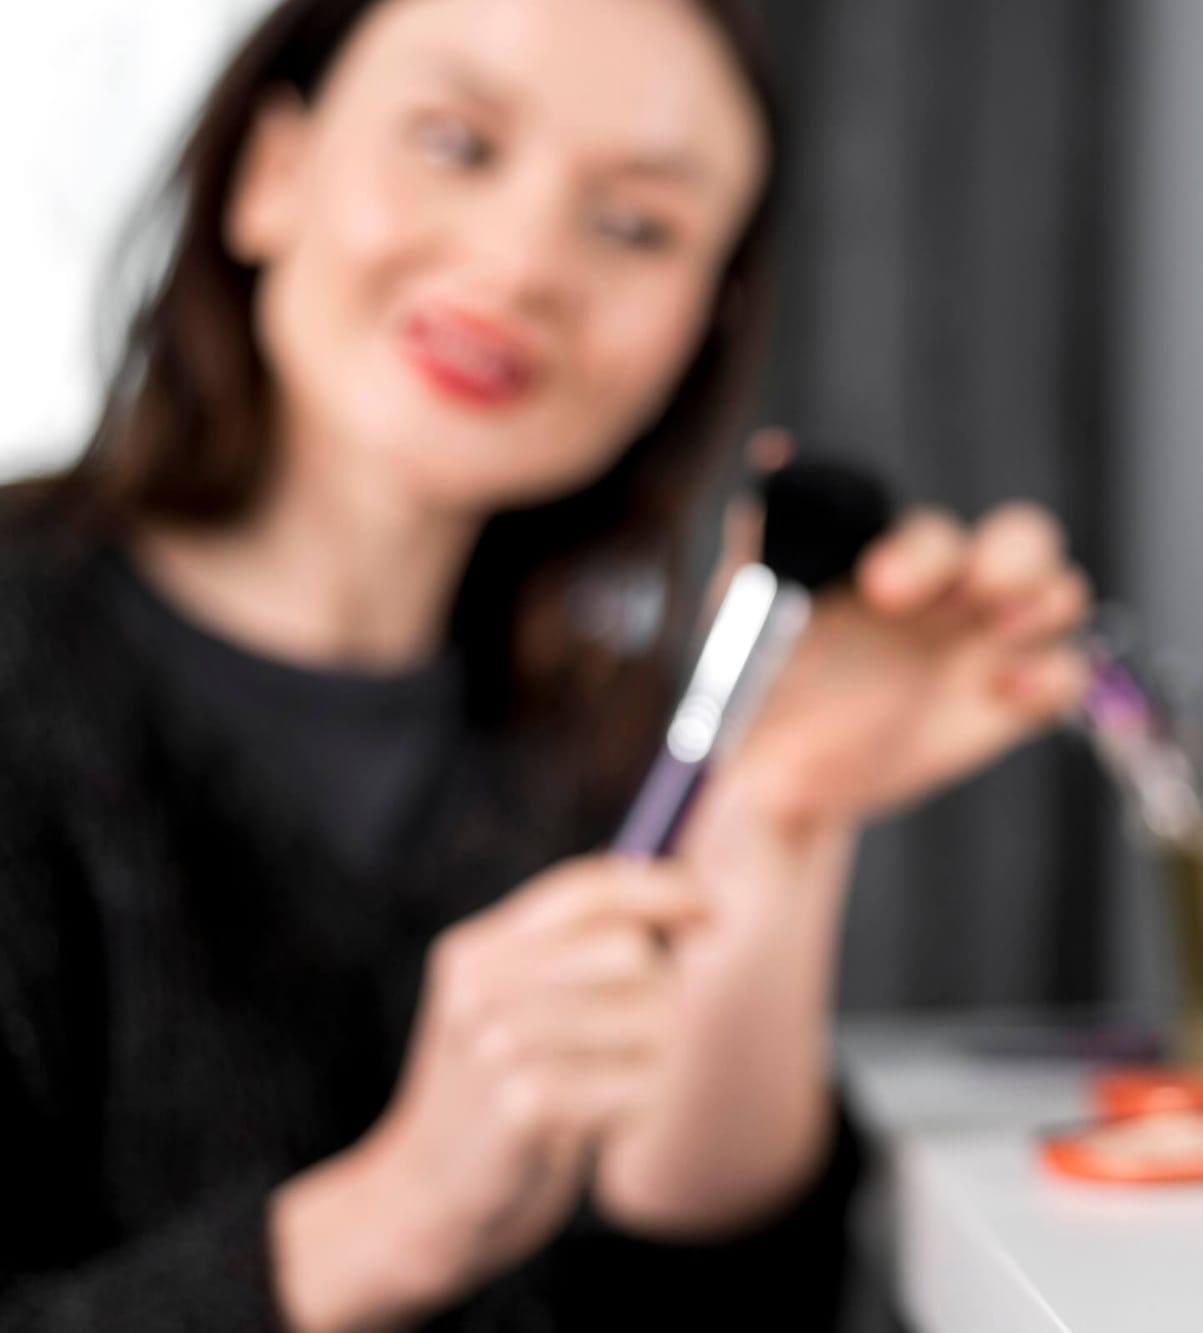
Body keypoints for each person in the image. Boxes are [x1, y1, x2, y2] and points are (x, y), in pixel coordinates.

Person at [0, 1, 1090, 1328]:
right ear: (269, 174)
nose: (523, 264)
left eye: (636, 225)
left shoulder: (617, 737)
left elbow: (722, 1313)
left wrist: (777, 822)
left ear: (702, 323)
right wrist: (391, 1216)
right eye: (456, 144)